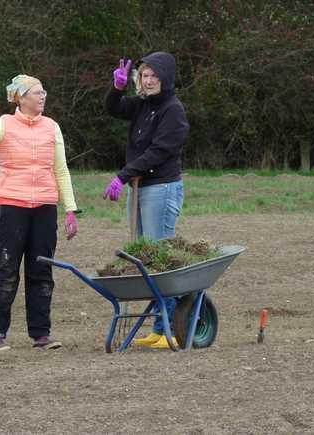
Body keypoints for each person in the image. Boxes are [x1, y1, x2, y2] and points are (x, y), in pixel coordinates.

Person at [0, 75, 80, 351]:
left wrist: (70, 209)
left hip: (45, 208)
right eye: (36, 93)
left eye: (44, 92)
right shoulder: (4, 124)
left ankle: (41, 335)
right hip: (10, 206)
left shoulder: (52, 127)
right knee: (7, 270)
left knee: (41, 271)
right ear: (20, 98)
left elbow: (61, 169)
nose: (43, 96)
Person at [103, 52, 189, 349]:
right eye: (144, 76)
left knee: (161, 259)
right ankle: (157, 328)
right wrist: (117, 88)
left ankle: (171, 330)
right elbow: (113, 109)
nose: (148, 80)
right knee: (145, 259)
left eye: (154, 76)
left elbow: (158, 151)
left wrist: (122, 175)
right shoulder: (142, 105)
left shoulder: (172, 110)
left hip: (161, 189)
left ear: (165, 78)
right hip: (140, 187)